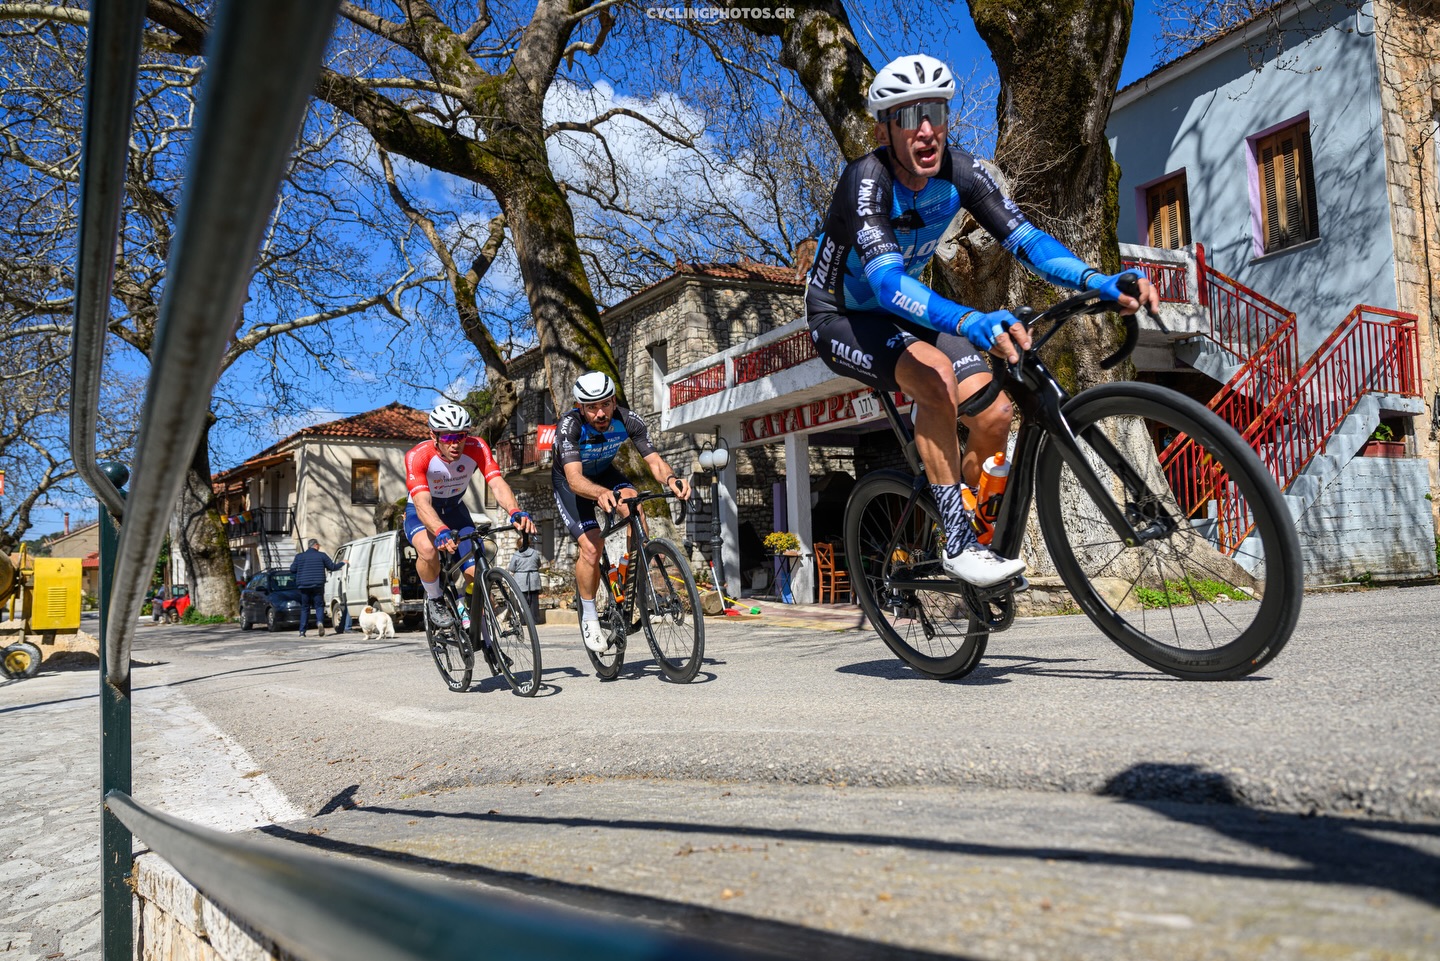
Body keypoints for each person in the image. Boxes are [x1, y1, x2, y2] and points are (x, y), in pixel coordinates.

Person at [806, 53, 1159, 587]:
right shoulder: (866, 180)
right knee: (935, 379)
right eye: (908, 117)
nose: (926, 130)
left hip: (907, 310)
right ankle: (956, 540)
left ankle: (968, 525)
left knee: (994, 416)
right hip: (843, 316)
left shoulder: (963, 174)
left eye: (935, 113)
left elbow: (1028, 241)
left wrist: (1097, 280)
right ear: (884, 129)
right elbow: (884, 284)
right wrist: (970, 319)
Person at [552, 371, 691, 654]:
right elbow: (575, 480)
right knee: (592, 546)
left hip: (605, 472)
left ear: (614, 401)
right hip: (571, 483)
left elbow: (655, 461)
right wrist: (600, 494)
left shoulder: (629, 420)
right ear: (581, 407)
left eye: (605, 404)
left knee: (635, 505)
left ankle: (633, 580)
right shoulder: (570, 426)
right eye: (592, 407)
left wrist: (673, 480)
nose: (600, 413)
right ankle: (589, 616)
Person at [405, 402, 537, 629]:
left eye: (461, 436)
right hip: (422, 512)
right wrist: (439, 530)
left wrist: (514, 511)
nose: (455, 444)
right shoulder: (418, 456)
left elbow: (497, 483)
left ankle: (473, 610)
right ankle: (435, 598)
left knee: (477, 572)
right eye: (447, 438)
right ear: (433, 436)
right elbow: (422, 503)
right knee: (427, 550)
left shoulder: (477, 447)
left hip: (456, 510)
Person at [289, 539, 344, 637]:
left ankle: (302, 631)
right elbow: (332, 567)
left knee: (305, 608)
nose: (319, 547)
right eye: (318, 545)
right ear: (316, 545)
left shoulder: (299, 556)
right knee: (319, 605)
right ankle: (319, 622)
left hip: (304, 585)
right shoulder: (321, 555)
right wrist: (342, 563)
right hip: (318, 585)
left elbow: (292, 569)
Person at [508, 533, 542, 623]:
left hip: (520, 580)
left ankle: (524, 621)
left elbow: (511, 568)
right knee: (534, 601)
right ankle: (535, 620)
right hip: (533, 578)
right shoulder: (535, 553)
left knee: (522, 601)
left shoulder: (516, 555)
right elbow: (539, 564)